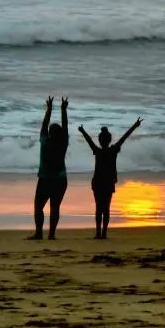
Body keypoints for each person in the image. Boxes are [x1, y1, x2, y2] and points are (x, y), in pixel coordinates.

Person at [78, 117, 142, 239]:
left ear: (100, 140)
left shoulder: (97, 151)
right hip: (108, 182)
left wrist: (82, 131)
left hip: (97, 182)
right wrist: (135, 125)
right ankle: (104, 233)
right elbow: (124, 137)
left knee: (98, 208)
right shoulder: (113, 150)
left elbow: (89, 141)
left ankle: (98, 233)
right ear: (109, 140)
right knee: (106, 208)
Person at [30, 95, 69, 240]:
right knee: (54, 207)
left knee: (38, 206)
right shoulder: (63, 143)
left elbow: (44, 125)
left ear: (50, 134)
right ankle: (51, 234)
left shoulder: (45, 141)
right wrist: (63, 110)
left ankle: (39, 232)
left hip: (45, 179)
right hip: (60, 179)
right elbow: (65, 127)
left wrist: (49, 109)